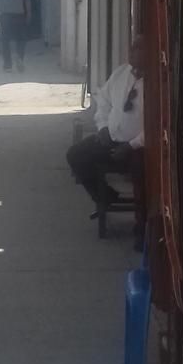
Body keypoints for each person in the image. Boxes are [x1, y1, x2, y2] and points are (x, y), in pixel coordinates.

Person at [66, 35, 147, 249]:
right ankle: (107, 198)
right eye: (132, 48)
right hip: (110, 138)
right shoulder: (121, 73)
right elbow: (103, 100)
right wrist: (102, 127)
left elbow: (157, 125)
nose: (133, 52)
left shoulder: (158, 83)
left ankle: (142, 231)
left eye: (139, 48)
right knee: (76, 155)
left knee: (143, 178)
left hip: (139, 147)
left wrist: (130, 146)